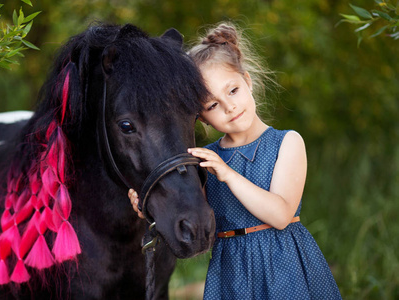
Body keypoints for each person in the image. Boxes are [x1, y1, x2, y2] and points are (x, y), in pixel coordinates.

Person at [129, 22, 342, 299]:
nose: (229, 107)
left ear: (248, 82)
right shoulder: (208, 160)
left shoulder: (286, 143)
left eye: (233, 91)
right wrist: (147, 209)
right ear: (202, 118)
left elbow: (280, 215)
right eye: (213, 105)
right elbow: (195, 216)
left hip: (282, 267)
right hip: (231, 274)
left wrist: (228, 174)